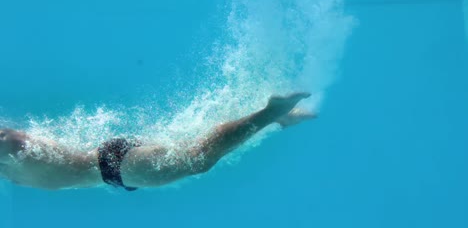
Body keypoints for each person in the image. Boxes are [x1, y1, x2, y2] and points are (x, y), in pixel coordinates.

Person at [0, 92, 315, 190]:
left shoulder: (5, 144)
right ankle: (274, 117)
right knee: (197, 149)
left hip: (112, 166)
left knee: (198, 159)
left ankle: (270, 112)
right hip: (112, 162)